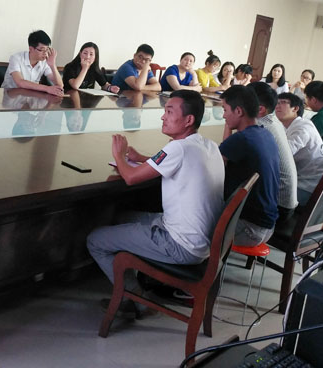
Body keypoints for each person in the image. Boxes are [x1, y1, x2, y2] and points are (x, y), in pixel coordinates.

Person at [87, 91, 224, 315]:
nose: (163, 117)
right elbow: (164, 159)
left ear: (188, 120)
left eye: (169, 112)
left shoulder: (177, 148)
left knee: (95, 240)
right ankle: (136, 281)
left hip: (179, 245)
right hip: (200, 243)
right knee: (121, 217)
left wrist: (119, 156)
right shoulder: (208, 145)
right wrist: (141, 158)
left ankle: (136, 298)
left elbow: (131, 178)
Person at [219, 85, 280, 246]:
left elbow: (213, 166)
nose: (223, 115)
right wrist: (229, 124)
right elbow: (226, 150)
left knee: (190, 224)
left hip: (248, 229)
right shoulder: (264, 133)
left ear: (239, 111)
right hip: (267, 227)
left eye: (225, 110)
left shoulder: (243, 139)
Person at [248, 82, 298, 219]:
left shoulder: (260, 127)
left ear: (260, 109)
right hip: (287, 204)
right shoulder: (274, 121)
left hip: (277, 207)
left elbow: (227, 158)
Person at [275, 93, 323, 205]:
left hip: (308, 188)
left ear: (295, 108)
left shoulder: (302, 128)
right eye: (276, 103)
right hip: (307, 181)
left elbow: (283, 155)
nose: (277, 106)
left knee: (260, 193)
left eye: (283, 102)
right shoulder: (291, 125)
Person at [2, 30, 64, 96]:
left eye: (47, 49)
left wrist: (53, 65)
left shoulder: (45, 62)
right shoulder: (16, 58)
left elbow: (60, 85)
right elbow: (20, 82)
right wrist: (47, 88)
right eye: (42, 50)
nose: (45, 53)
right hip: (11, 96)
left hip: (30, 96)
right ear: (31, 49)